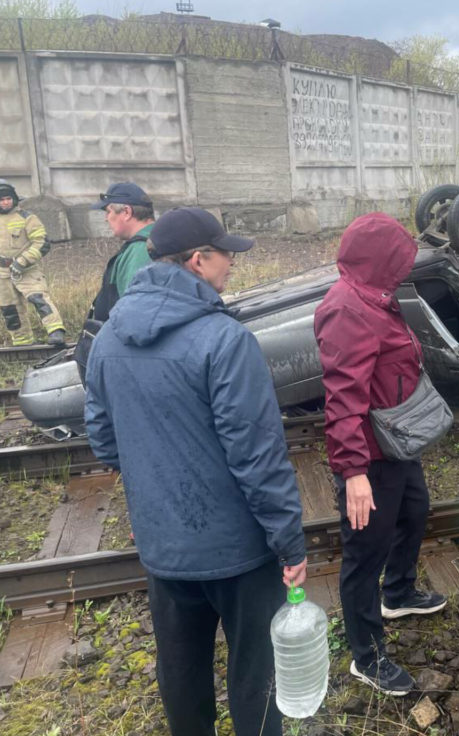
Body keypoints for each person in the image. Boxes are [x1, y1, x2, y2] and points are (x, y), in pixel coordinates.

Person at [84, 207, 307, 736]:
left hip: (164, 548)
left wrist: (156, 490)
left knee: (180, 670)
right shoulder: (225, 341)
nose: (232, 263)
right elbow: (256, 457)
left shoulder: (109, 338)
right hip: (240, 553)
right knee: (257, 673)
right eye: (226, 253)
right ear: (197, 261)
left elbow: (102, 439)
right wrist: (290, 543)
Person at [314, 212, 447, 696]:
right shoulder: (348, 309)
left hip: (395, 442)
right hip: (368, 455)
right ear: (377, 261)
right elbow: (342, 398)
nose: (404, 268)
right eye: (398, 260)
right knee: (364, 555)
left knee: (415, 511)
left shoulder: (374, 295)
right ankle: (366, 657)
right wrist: (353, 472)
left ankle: (399, 594)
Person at [0, 180, 66, 346]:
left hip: (26, 270)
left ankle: (55, 331)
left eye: (8, 198)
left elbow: (42, 242)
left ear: (14, 198)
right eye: (1, 200)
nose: (5, 202)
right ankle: (22, 343)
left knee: (39, 299)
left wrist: (22, 261)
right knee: (10, 310)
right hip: (2, 274)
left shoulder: (27, 218)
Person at [87, 182, 157, 321]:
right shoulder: (160, 238)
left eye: (108, 212)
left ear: (126, 212)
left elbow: (135, 312)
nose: (106, 219)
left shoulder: (140, 250)